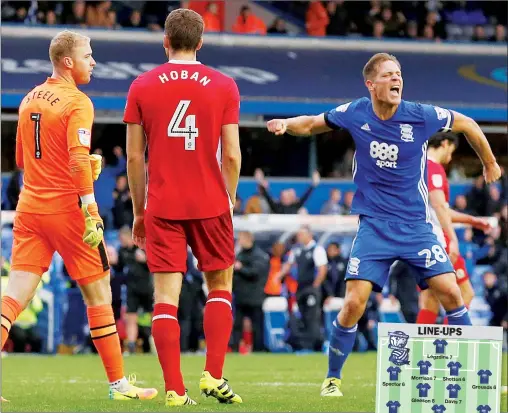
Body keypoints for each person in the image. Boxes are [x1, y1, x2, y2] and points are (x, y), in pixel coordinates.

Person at [266, 52, 501, 397]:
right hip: (374, 226)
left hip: (415, 225)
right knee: (353, 304)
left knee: (451, 291)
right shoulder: (355, 111)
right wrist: (286, 125)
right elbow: (313, 123)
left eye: (399, 74)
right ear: (371, 84)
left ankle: (474, 375)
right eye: (389, 75)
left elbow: (466, 123)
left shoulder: (420, 115)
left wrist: (490, 163)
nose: (397, 80)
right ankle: (333, 378)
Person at [0, 30, 157, 402]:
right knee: (99, 293)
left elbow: (23, 162)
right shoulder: (77, 102)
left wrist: (79, 164)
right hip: (69, 211)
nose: (94, 61)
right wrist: (90, 205)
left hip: (30, 208)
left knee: (13, 298)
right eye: (89, 55)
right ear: (67, 61)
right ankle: (119, 385)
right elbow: (73, 157)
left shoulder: (28, 99)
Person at [124, 9, 242, 406]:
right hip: (210, 202)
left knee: (165, 299)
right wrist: (229, 195)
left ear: (165, 41)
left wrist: (140, 211)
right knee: (220, 287)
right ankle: (213, 374)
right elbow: (232, 156)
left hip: (162, 203)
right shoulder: (224, 84)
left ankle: (175, 390)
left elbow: (133, 158)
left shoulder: (141, 85)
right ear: (201, 41)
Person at [417, 132, 491, 324]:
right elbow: (440, 206)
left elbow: (440, 209)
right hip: (437, 242)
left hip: (419, 242)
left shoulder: (416, 167)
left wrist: (472, 221)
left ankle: (421, 351)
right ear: (444, 143)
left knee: (430, 300)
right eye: (451, 150)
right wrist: (454, 240)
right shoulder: (432, 168)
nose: (451, 157)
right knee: (465, 294)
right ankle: (446, 345)